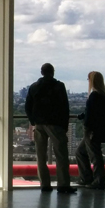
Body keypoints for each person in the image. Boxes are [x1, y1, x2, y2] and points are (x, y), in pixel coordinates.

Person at [25, 63, 74, 194]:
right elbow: (64, 107)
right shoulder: (59, 86)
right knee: (61, 155)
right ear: (53, 72)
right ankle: (63, 185)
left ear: (41, 72)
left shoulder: (34, 87)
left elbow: (28, 106)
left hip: (39, 124)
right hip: (56, 124)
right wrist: (64, 126)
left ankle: (44, 184)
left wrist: (33, 121)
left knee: (41, 156)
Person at [76, 71, 105, 189]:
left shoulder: (94, 95)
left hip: (91, 131)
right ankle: (89, 179)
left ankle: (95, 180)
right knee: (82, 152)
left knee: (94, 156)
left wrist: (85, 124)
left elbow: (90, 113)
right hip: (100, 129)